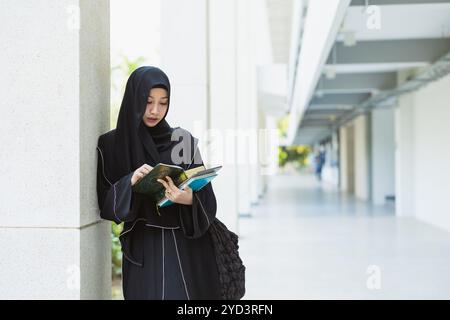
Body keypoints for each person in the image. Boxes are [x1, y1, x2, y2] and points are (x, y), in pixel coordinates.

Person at [96, 66, 221, 300]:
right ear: (135, 98)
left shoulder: (182, 140)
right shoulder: (111, 146)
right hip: (143, 247)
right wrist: (129, 182)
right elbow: (105, 205)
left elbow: (207, 196)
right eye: (148, 101)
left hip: (186, 245)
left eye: (163, 103)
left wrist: (186, 197)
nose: (155, 110)